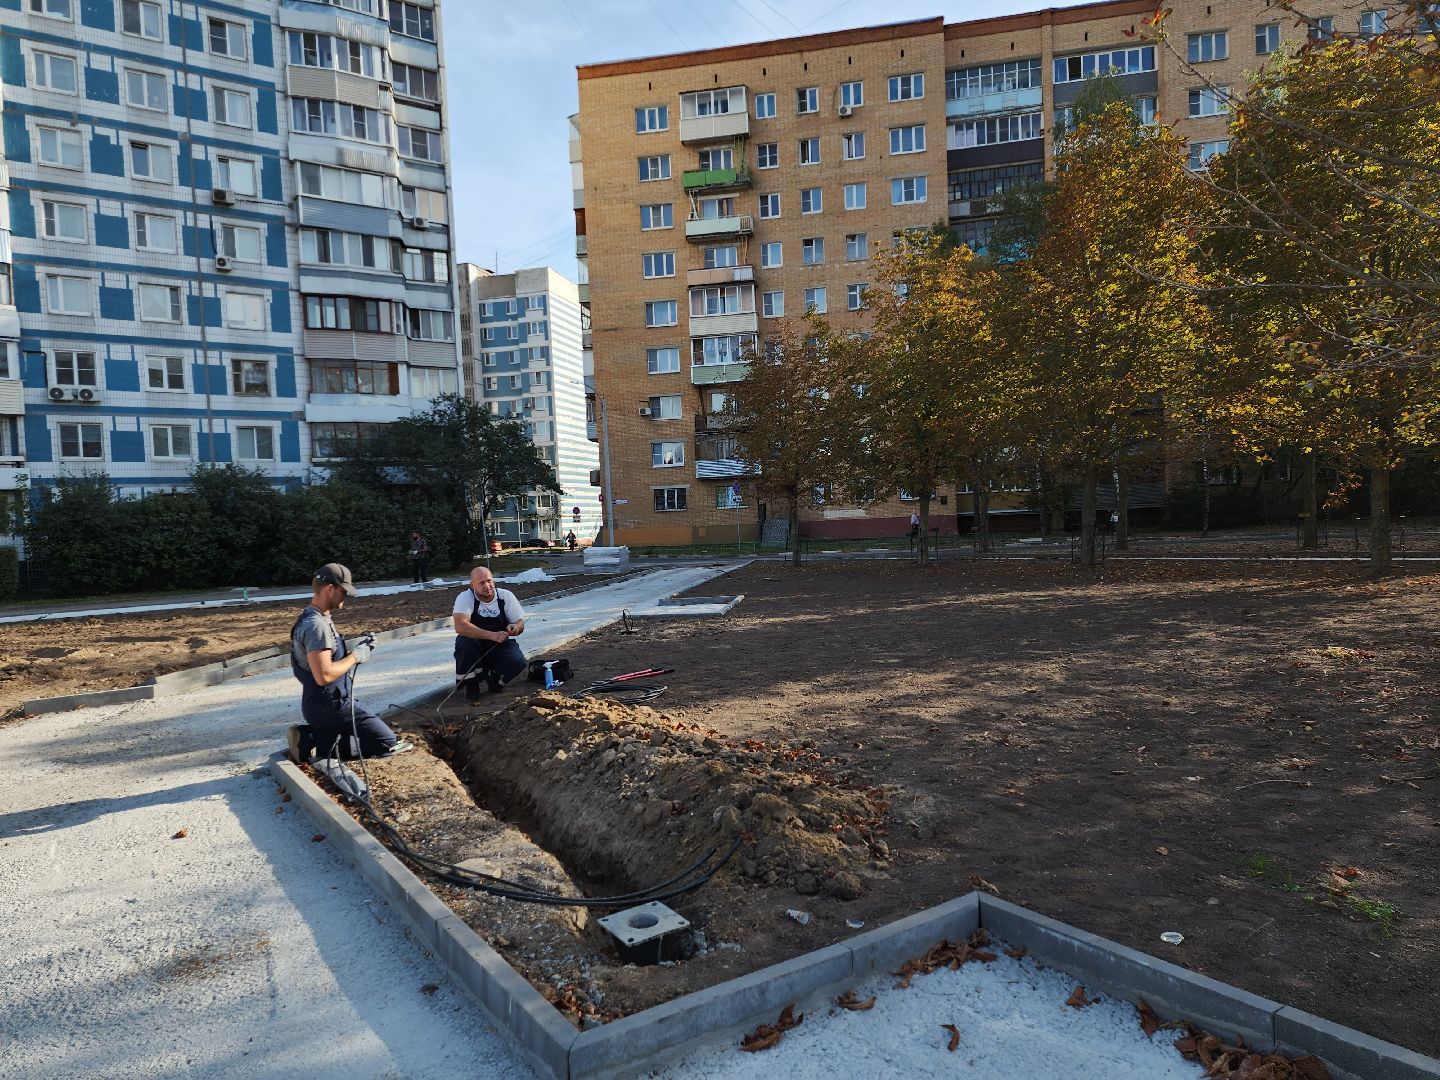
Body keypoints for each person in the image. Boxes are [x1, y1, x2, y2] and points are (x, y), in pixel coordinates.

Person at [287, 563, 412, 763]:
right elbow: (324, 675)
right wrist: (356, 656)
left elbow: (325, 660)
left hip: (324, 704)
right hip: (330, 706)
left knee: (379, 735)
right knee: (388, 742)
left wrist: (357, 650)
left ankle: (316, 738)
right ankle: (315, 742)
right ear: (330, 589)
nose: (346, 597)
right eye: (343, 591)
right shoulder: (316, 625)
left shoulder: (316, 618)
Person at [453, 566, 528, 705]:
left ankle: (495, 679)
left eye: (489, 581)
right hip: (475, 644)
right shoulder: (465, 597)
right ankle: (471, 684)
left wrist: (515, 627)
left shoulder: (505, 596)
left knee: (517, 661)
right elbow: (460, 626)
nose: (487, 586)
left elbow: (520, 623)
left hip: (499, 644)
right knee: (465, 643)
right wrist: (491, 635)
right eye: (481, 583)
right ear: (472, 585)